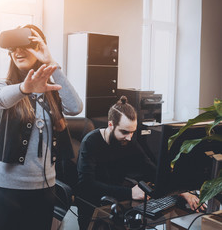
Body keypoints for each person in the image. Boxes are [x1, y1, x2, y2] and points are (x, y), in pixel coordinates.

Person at [0, 24, 83, 230]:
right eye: (13, 48)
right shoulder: (3, 86)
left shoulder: (52, 90)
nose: (18, 52)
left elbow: (75, 107)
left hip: (44, 189)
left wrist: (52, 64)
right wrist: (25, 88)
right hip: (7, 190)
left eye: (26, 46)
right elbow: (0, 99)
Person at [76, 96, 206, 230]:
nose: (129, 137)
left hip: (117, 203)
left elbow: (151, 169)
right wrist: (130, 193)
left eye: (132, 132)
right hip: (92, 206)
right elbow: (87, 185)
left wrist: (178, 190)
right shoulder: (90, 142)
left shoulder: (128, 141)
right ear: (111, 125)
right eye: (124, 132)